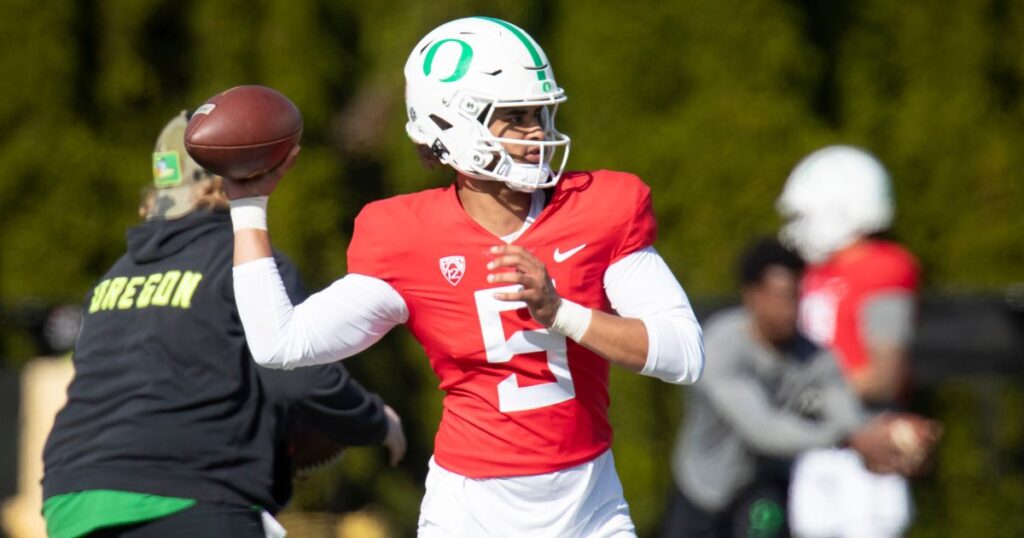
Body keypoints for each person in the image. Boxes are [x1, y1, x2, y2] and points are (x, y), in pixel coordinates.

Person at [223, 16, 705, 537]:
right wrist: (248, 207)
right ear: (454, 125)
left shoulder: (598, 208)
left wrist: (560, 312)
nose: (537, 133)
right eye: (515, 117)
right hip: (472, 511)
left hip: (590, 503)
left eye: (541, 114)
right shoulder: (406, 236)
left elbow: (685, 353)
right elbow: (280, 342)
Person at [41, 111, 406, 538]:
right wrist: (374, 420)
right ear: (227, 176)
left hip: (73, 501)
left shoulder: (112, 279)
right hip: (189, 494)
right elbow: (297, 378)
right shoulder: (242, 265)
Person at [663, 239, 930, 538]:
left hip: (764, 488)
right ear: (752, 296)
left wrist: (889, 436)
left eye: (797, 297)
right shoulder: (723, 348)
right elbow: (762, 429)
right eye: (781, 297)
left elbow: (846, 415)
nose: (790, 309)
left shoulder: (814, 357)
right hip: (705, 490)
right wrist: (850, 439)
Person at [776, 145, 937, 537]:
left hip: (867, 449)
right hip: (818, 444)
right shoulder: (817, 272)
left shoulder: (883, 268)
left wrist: (806, 389)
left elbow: (883, 376)